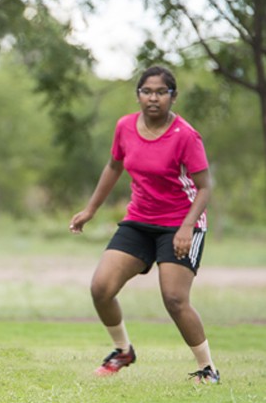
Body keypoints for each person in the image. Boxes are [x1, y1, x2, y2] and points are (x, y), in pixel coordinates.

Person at [69, 65, 219, 384]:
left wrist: (186, 227)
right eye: (147, 91)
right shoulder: (124, 127)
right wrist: (90, 210)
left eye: (161, 92)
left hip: (180, 223)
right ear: (138, 95)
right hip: (140, 220)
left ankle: (208, 369)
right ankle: (123, 351)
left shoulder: (186, 136)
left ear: (172, 97)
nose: (154, 98)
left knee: (175, 299)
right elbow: (114, 166)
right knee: (101, 288)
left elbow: (205, 188)